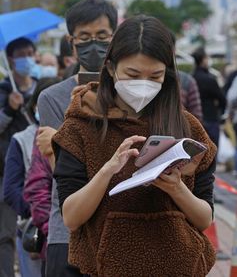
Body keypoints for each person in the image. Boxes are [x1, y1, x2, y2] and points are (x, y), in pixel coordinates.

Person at [53, 15, 217, 276]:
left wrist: (176, 189)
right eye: (132, 74)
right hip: (105, 269)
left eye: (156, 76)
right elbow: (71, 218)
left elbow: (204, 218)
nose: (144, 84)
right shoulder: (79, 128)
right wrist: (107, 171)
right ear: (110, 68)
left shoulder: (188, 128)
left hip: (179, 267)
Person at [36, 0, 118, 277]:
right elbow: (62, 174)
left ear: (114, 38)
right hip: (67, 234)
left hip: (119, 231)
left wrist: (61, 142)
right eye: (84, 37)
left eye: (101, 36)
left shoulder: (131, 94)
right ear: (72, 43)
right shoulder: (52, 98)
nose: (93, 44)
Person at [3, 77, 61, 277]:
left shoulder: (73, 135)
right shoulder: (23, 139)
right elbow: (10, 190)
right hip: (35, 233)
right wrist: (39, 212)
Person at [0, 37, 38, 277]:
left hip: (36, 167)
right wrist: (8, 110)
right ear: (11, 58)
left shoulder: (41, 87)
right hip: (7, 170)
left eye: (30, 52)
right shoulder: (4, 91)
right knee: (5, 233)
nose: (27, 57)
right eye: (21, 53)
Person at [192, 47, 226, 147]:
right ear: (203, 60)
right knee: (213, 151)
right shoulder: (210, 79)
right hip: (211, 119)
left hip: (195, 121)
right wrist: (219, 110)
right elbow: (222, 99)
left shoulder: (191, 78)